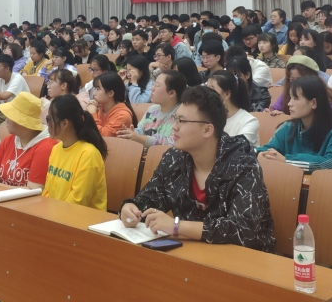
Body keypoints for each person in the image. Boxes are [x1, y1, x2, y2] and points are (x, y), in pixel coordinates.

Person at [120, 86, 274, 249]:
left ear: (207, 130)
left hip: (240, 256)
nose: (174, 127)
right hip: (190, 249)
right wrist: (131, 208)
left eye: (182, 121)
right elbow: (149, 199)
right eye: (175, 119)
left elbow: (243, 230)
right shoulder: (174, 158)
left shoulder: (243, 165)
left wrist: (177, 226)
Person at [256, 76, 332, 171]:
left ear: (313, 103)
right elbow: (269, 149)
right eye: (290, 98)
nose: (289, 103)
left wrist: (287, 161)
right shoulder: (287, 127)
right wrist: (261, 154)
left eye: (296, 98)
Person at [0, 92, 57, 188]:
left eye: (11, 116)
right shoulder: (8, 140)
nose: (6, 120)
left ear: (24, 122)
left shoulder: (46, 147)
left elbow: (34, 190)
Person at [42, 94, 108, 210]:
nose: (47, 125)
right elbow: (47, 191)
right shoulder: (56, 149)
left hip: (81, 218)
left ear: (64, 123)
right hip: (56, 215)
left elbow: (77, 202)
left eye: (49, 120)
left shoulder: (88, 154)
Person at [116, 70, 185, 149]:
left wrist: (140, 139)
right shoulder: (152, 109)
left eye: (157, 85)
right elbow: (140, 130)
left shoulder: (181, 116)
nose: (152, 88)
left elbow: (172, 142)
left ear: (172, 93)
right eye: (153, 84)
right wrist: (131, 133)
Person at [206, 70, 259, 147]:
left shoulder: (249, 122)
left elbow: (235, 148)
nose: (205, 94)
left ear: (227, 94)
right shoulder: (206, 117)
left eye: (211, 89)